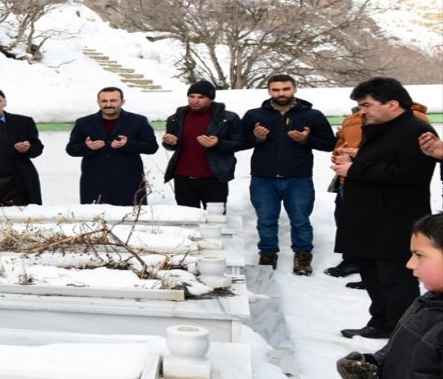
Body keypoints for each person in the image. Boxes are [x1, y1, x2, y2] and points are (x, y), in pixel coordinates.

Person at [337, 212, 443, 379]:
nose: (409, 264)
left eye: (420, 255)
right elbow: (410, 352)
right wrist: (373, 364)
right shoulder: (431, 301)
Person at [333, 77, 438, 339]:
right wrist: (358, 156)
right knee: (372, 276)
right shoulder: (381, 127)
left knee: (395, 280)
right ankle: (380, 322)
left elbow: (412, 173)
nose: (362, 111)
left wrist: (357, 169)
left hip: (395, 220)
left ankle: (403, 334)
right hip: (368, 219)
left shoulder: (416, 130)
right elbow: (388, 157)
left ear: (392, 104)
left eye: (366, 105)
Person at [239, 75, 336, 274]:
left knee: (300, 220)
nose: (281, 93)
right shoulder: (254, 115)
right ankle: (267, 255)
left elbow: (330, 144)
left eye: (286, 89)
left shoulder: (312, 115)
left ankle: (303, 256)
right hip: (263, 178)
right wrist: (256, 138)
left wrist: (306, 140)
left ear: (295, 89)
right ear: (269, 91)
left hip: (298, 178)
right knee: (265, 220)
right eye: (276, 90)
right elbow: (238, 142)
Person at [65, 87, 159, 206]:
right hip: (94, 184)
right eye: (104, 101)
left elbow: (152, 147)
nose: (108, 104)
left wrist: (128, 144)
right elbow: (71, 149)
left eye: (113, 100)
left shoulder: (138, 121)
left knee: (131, 220)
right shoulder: (84, 122)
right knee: (95, 220)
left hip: (129, 183)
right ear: (98, 102)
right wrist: (87, 147)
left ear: (122, 102)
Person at [161, 80, 245, 209]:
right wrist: (170, 143)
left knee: (214, 220)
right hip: (183, 177)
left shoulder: (228, 118)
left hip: (214, 177)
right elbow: (172, 145)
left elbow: (240, 143)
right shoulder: (175, 118)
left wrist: (218, 143)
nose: (195, 101)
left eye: (201, 97)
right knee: (188, 221)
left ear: (211, 99)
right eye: (192, 96)